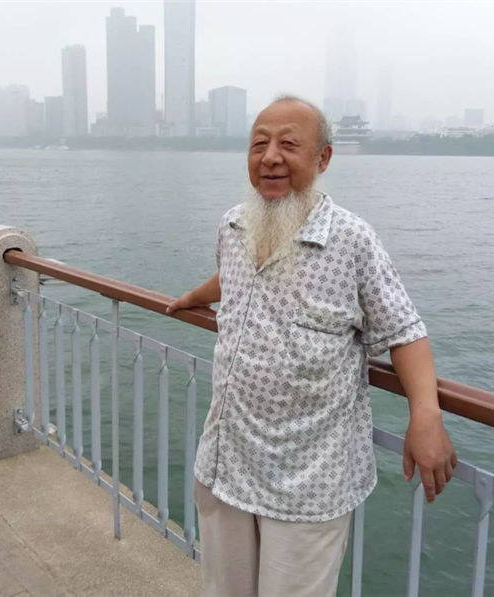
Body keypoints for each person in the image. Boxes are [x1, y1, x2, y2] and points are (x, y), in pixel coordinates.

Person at [167, 95, 457, 597]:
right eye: (259, 144)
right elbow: (236, 278)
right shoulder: (234, 225)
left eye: (288, 145)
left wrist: (425, 415)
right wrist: (196, 296)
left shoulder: (351, 241)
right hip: (226, 460)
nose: (270, 157)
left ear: (323, 158)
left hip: (306, 480)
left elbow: (405, 330)